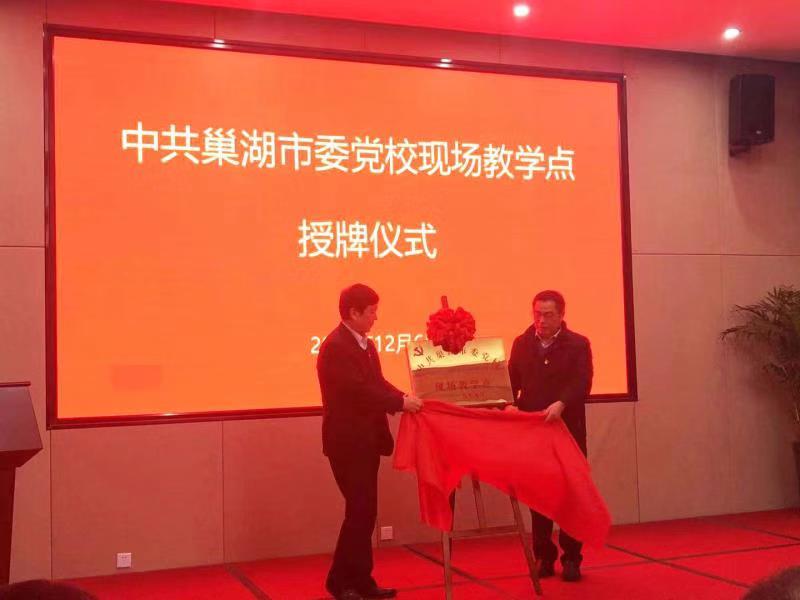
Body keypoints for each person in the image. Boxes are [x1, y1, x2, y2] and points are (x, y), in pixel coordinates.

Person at [318, 283, 423, 600]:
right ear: (354, 312)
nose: (376, 317)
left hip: (366, 440)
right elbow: (358, 391)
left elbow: (377, 382)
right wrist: (400, 403)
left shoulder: (365, 344)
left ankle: (360, 580)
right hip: (347, 442)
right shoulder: (336, 347)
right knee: (360, 512)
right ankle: (340, 582)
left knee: (365, 513)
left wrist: (403, 397)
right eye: (372, 312)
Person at [508, 290, 593, 583]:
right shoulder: (521, 343)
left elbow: (582, 382)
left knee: (571, 495)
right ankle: (544, 555)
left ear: (561, 315)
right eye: (537, 314)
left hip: (567, 429)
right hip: (533, 433)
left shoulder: (578, 344)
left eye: (548, 315)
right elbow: (511, 381)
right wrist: (508, 403)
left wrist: (562, 403)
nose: (541, 321)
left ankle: (572, 557)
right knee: (538, 495)